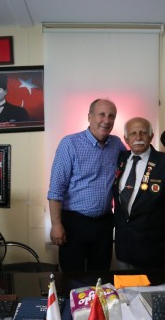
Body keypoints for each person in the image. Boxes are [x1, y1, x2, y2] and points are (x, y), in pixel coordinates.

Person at [47, 98, 126, 272]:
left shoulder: (117, 145)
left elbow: (132, 166)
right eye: (101, 114)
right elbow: (56, 189)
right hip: (74, 224)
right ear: (89, 117)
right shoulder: (70, 144)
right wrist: (56, 224)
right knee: (72, 277)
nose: (106, 120)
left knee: (100, 276)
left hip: (104, 224)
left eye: (111, 116)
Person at [113, 117, 165, 269]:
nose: (138, 137)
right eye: (133, 133)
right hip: (124, 248)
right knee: (124, 285)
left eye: (143, 132)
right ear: (126, 138)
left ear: (151, 136)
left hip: (154, 251)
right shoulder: (119, 159)